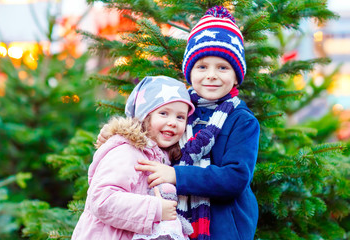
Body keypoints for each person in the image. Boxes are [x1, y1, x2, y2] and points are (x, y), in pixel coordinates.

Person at [97, 6, 260, 240]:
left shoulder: (242, 121)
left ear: (236, 75)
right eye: (202, 66)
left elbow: (235, 178)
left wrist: (177, 176)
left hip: (223, 228)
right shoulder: (180, 109)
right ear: (189, 72)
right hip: (176, 220)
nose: (211, 75)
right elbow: (150, 135)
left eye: (222, 67)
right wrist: (117, 136)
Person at [72, 76, 195, 240]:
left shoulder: (163, 157)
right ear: (145, 116)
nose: (173, 122)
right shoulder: (127, 150)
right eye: (164, 113)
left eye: (180, 117)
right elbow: (102, 200)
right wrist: (156, 210)